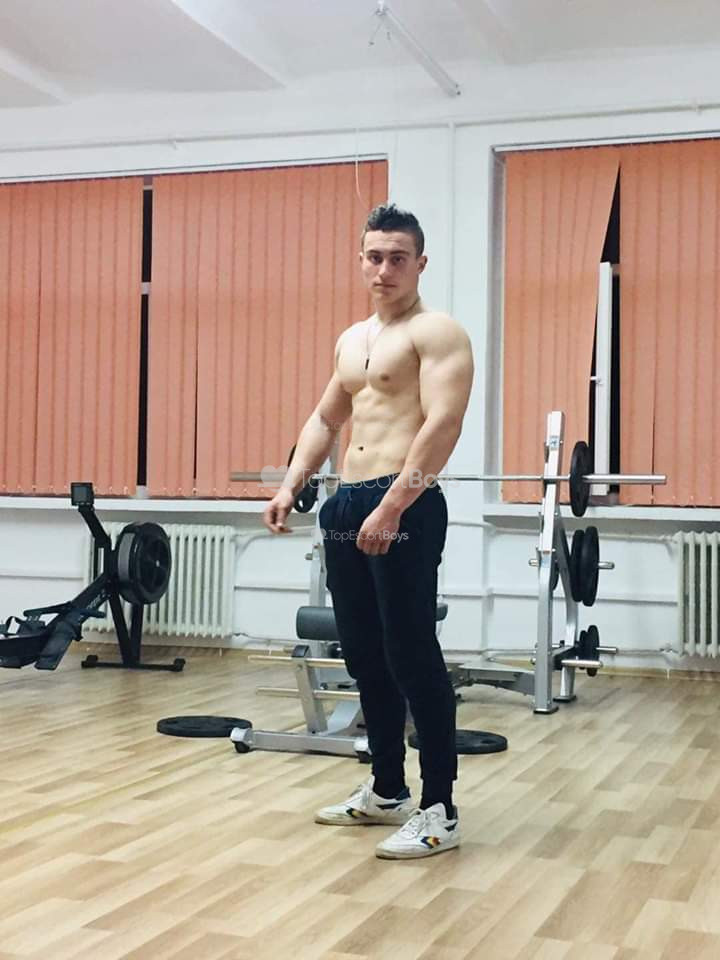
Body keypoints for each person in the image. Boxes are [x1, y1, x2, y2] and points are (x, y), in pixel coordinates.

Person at [263, 203, 474, 859]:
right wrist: (291, 483)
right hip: (347, 501)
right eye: (375, 256)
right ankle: (386, 789)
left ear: (420, 263)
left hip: (403, 500)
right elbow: (326, 419)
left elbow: (443, 423)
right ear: (361, 260)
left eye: (397, 258)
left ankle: (439, 808)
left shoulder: (437, 333)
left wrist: (394, 506)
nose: (385, 269)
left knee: (411, 653)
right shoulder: (353, 340)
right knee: (363, 653)